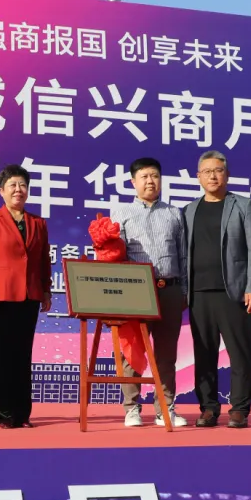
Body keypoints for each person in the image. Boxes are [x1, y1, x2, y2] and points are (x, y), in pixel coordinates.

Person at [106, 157, 189, 428]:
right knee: (132, 351)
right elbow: (115, 256)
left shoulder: (174, 213)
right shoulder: (121, 213)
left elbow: (183, 255)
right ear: (133, 182)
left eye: (155, 176)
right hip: (136, 292)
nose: (150, 181)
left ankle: (165, 408)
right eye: (144, 177)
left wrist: (184, 291)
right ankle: (132, 408)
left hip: (169, 290)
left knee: (166, 354)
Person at [184, 150, 251, 429]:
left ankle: (239, 409)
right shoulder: (189, 210)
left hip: (234, 292)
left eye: (218, 171)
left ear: (227, 175)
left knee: (239, 353)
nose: (213, 176)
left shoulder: (242, 205)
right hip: (198, 294)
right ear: (198, 177)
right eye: (207, 171)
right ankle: (208, 408)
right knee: (204, 354)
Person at [0, 165, 52, 429]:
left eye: (22, 185)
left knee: (22, 355)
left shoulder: (38, 223)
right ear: (2, 191)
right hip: (0, 296)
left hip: (30, 295)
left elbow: (43, 260)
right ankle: (4, 413)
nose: (18, 190)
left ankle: (23, 413)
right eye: (13, 185)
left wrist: (45, 290)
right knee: (2, 355)